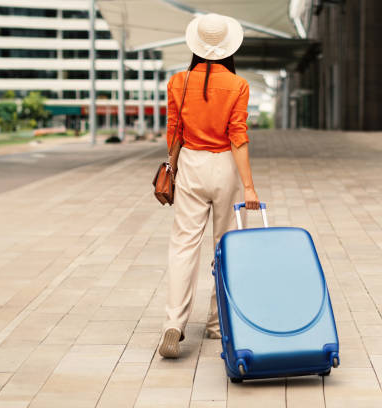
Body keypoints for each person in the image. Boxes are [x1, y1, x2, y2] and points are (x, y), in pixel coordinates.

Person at [158, 13, 260, 359]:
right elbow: (238, 137)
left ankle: (174, 323)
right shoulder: (238, 85)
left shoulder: (177, 82)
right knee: (225, 244)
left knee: (184, 244)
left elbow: (174, 132)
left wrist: (172, 166)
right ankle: (218, 324)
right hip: (225, 168)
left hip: (191, 166)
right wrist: (249, 186)